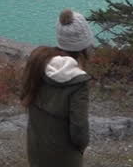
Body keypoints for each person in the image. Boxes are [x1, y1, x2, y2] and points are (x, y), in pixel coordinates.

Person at [22, 9, 94, 167]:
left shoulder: (38, 61)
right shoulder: (78, 81)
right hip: (65, 155)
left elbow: (25, 96)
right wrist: (80, 148)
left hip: (36, 147)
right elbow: (79, 129)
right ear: (84, 44)